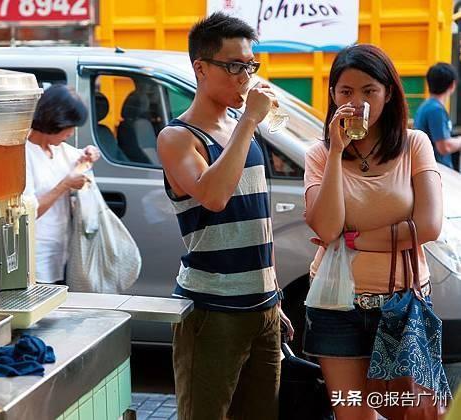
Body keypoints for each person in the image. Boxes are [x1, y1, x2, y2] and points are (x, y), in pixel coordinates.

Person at [157, 12, 294, 420]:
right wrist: (251, 119)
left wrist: (274, 296)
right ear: (201, 67)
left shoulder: (238, 126)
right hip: (211, 311)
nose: (244, 76)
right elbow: (213, 196)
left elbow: (256, 218)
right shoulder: (178, 137)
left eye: (250, 66)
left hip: (264, 307)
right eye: (234, 66)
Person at [304, 44, 444, 420]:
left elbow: (429, 226)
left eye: (369, 91)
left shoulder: (415, 145)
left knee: (409, 411)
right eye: (346, 92)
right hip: (337, 305)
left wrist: (355, 239)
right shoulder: (320, 154)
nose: (356, 102)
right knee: (353, 413)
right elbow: (326, 226)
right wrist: (336, 152)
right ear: (333, 95)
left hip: (401, 300)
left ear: (388, 94)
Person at [23, 84, 100, 285]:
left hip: (63, 251)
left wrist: (90, 153)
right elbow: (30, 212)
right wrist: (65, 185)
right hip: (36, 255)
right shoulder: (24, 154)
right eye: (70, 126)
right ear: (55, 122)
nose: (71, 133)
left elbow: (82, 158)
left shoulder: (59, 150)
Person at [413, 62, 461, 169]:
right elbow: (444, 146)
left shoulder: (427, 106)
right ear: (452, 85)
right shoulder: (436, 110)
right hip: (438, 170)